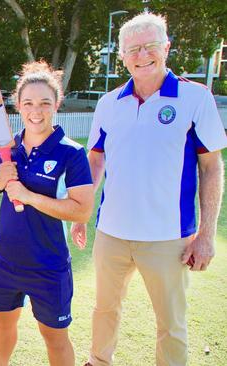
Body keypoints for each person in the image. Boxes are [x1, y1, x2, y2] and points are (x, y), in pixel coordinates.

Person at [69, 13, 227, 366]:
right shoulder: (109, 103)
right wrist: (81, 211)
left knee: (170, 324)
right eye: (133, 49)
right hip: (111, 232)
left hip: (168, 237)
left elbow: (212, 167)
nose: (142, 55)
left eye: (150, 46)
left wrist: (207, 234)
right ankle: (98, 361)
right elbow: (96, 161)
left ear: (166, 48)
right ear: (122, 55)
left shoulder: (194, 98)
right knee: (104, 310)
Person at [0, 61, 94, 366]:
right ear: (18, 105)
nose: (37, 110)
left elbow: (82, 210)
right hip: (5, 260)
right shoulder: (7, 149)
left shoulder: (71, 152)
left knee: (55, 338)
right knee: (4, 324)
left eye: (45, 103)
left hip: (48, 265)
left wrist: (29, 196)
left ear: (56, 104)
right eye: (29, 103)